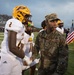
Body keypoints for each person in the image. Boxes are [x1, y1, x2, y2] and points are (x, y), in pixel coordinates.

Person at [0, 5, 32, 75]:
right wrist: (25, 57)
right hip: (7, 56)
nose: (27, 18)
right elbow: (12, 47)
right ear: (19, 14)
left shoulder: (21, 25)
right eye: (26, 16)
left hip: (16, 57)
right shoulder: (14, 22)